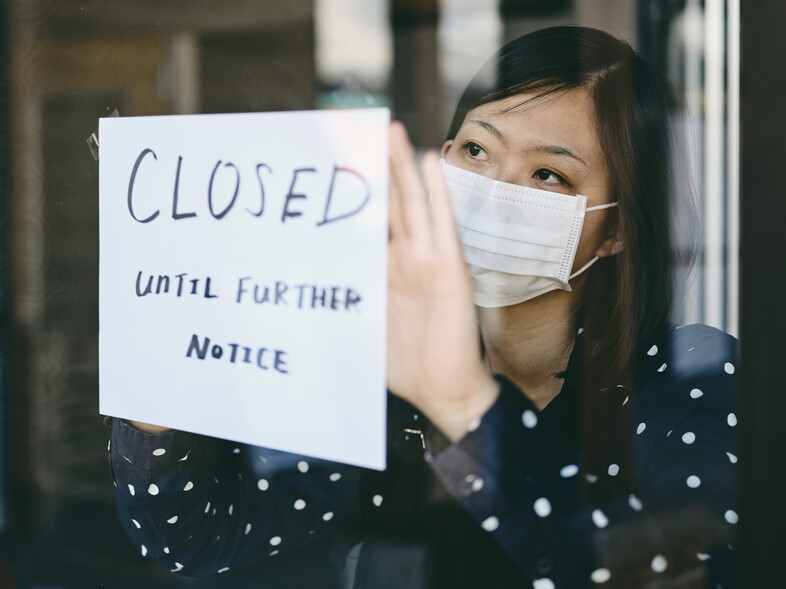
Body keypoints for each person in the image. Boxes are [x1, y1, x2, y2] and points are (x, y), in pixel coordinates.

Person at [107, 26, 738, 588]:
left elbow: (672, 575)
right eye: (476, 151)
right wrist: (156, 409)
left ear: (617, 230)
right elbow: (198, 537)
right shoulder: (375, 366)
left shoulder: (690, 375)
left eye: (549, 175)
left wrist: (464, 406)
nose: (493, 192)